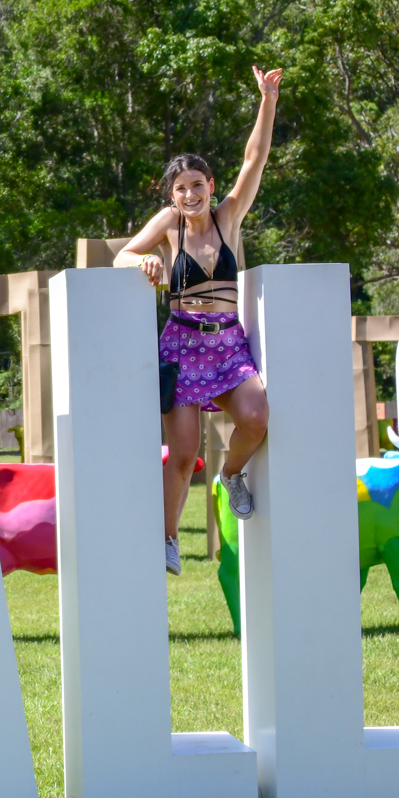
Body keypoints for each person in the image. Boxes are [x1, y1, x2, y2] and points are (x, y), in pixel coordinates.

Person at [114, 66, 284, 577]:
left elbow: (255, 158)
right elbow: (122, 254)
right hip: (183, 345)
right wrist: (142, 262)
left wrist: (267, 99)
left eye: (197, 185)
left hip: (228, 344)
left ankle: (231, 475)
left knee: (256, 417)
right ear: (172, 196)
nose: (190, 195)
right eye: (181, 189)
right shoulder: (170, 225)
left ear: (210, 186)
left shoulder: (228, 216)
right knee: (184, 455)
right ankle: (168, 537)